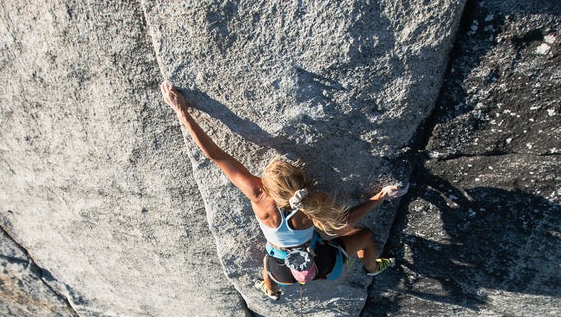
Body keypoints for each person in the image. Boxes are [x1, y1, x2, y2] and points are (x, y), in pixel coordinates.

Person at [161, 81, 409, 299]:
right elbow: (345, 220)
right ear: (302, 182)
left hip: (281, 272)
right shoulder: (312, 203)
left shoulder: (258, 196)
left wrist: (182, 112)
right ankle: (373, 268)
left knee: (267, 260)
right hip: (324, 265)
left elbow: (215, 155)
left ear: (266, 187)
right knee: (364, 236)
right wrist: (380, 196)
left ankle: (271, 291)